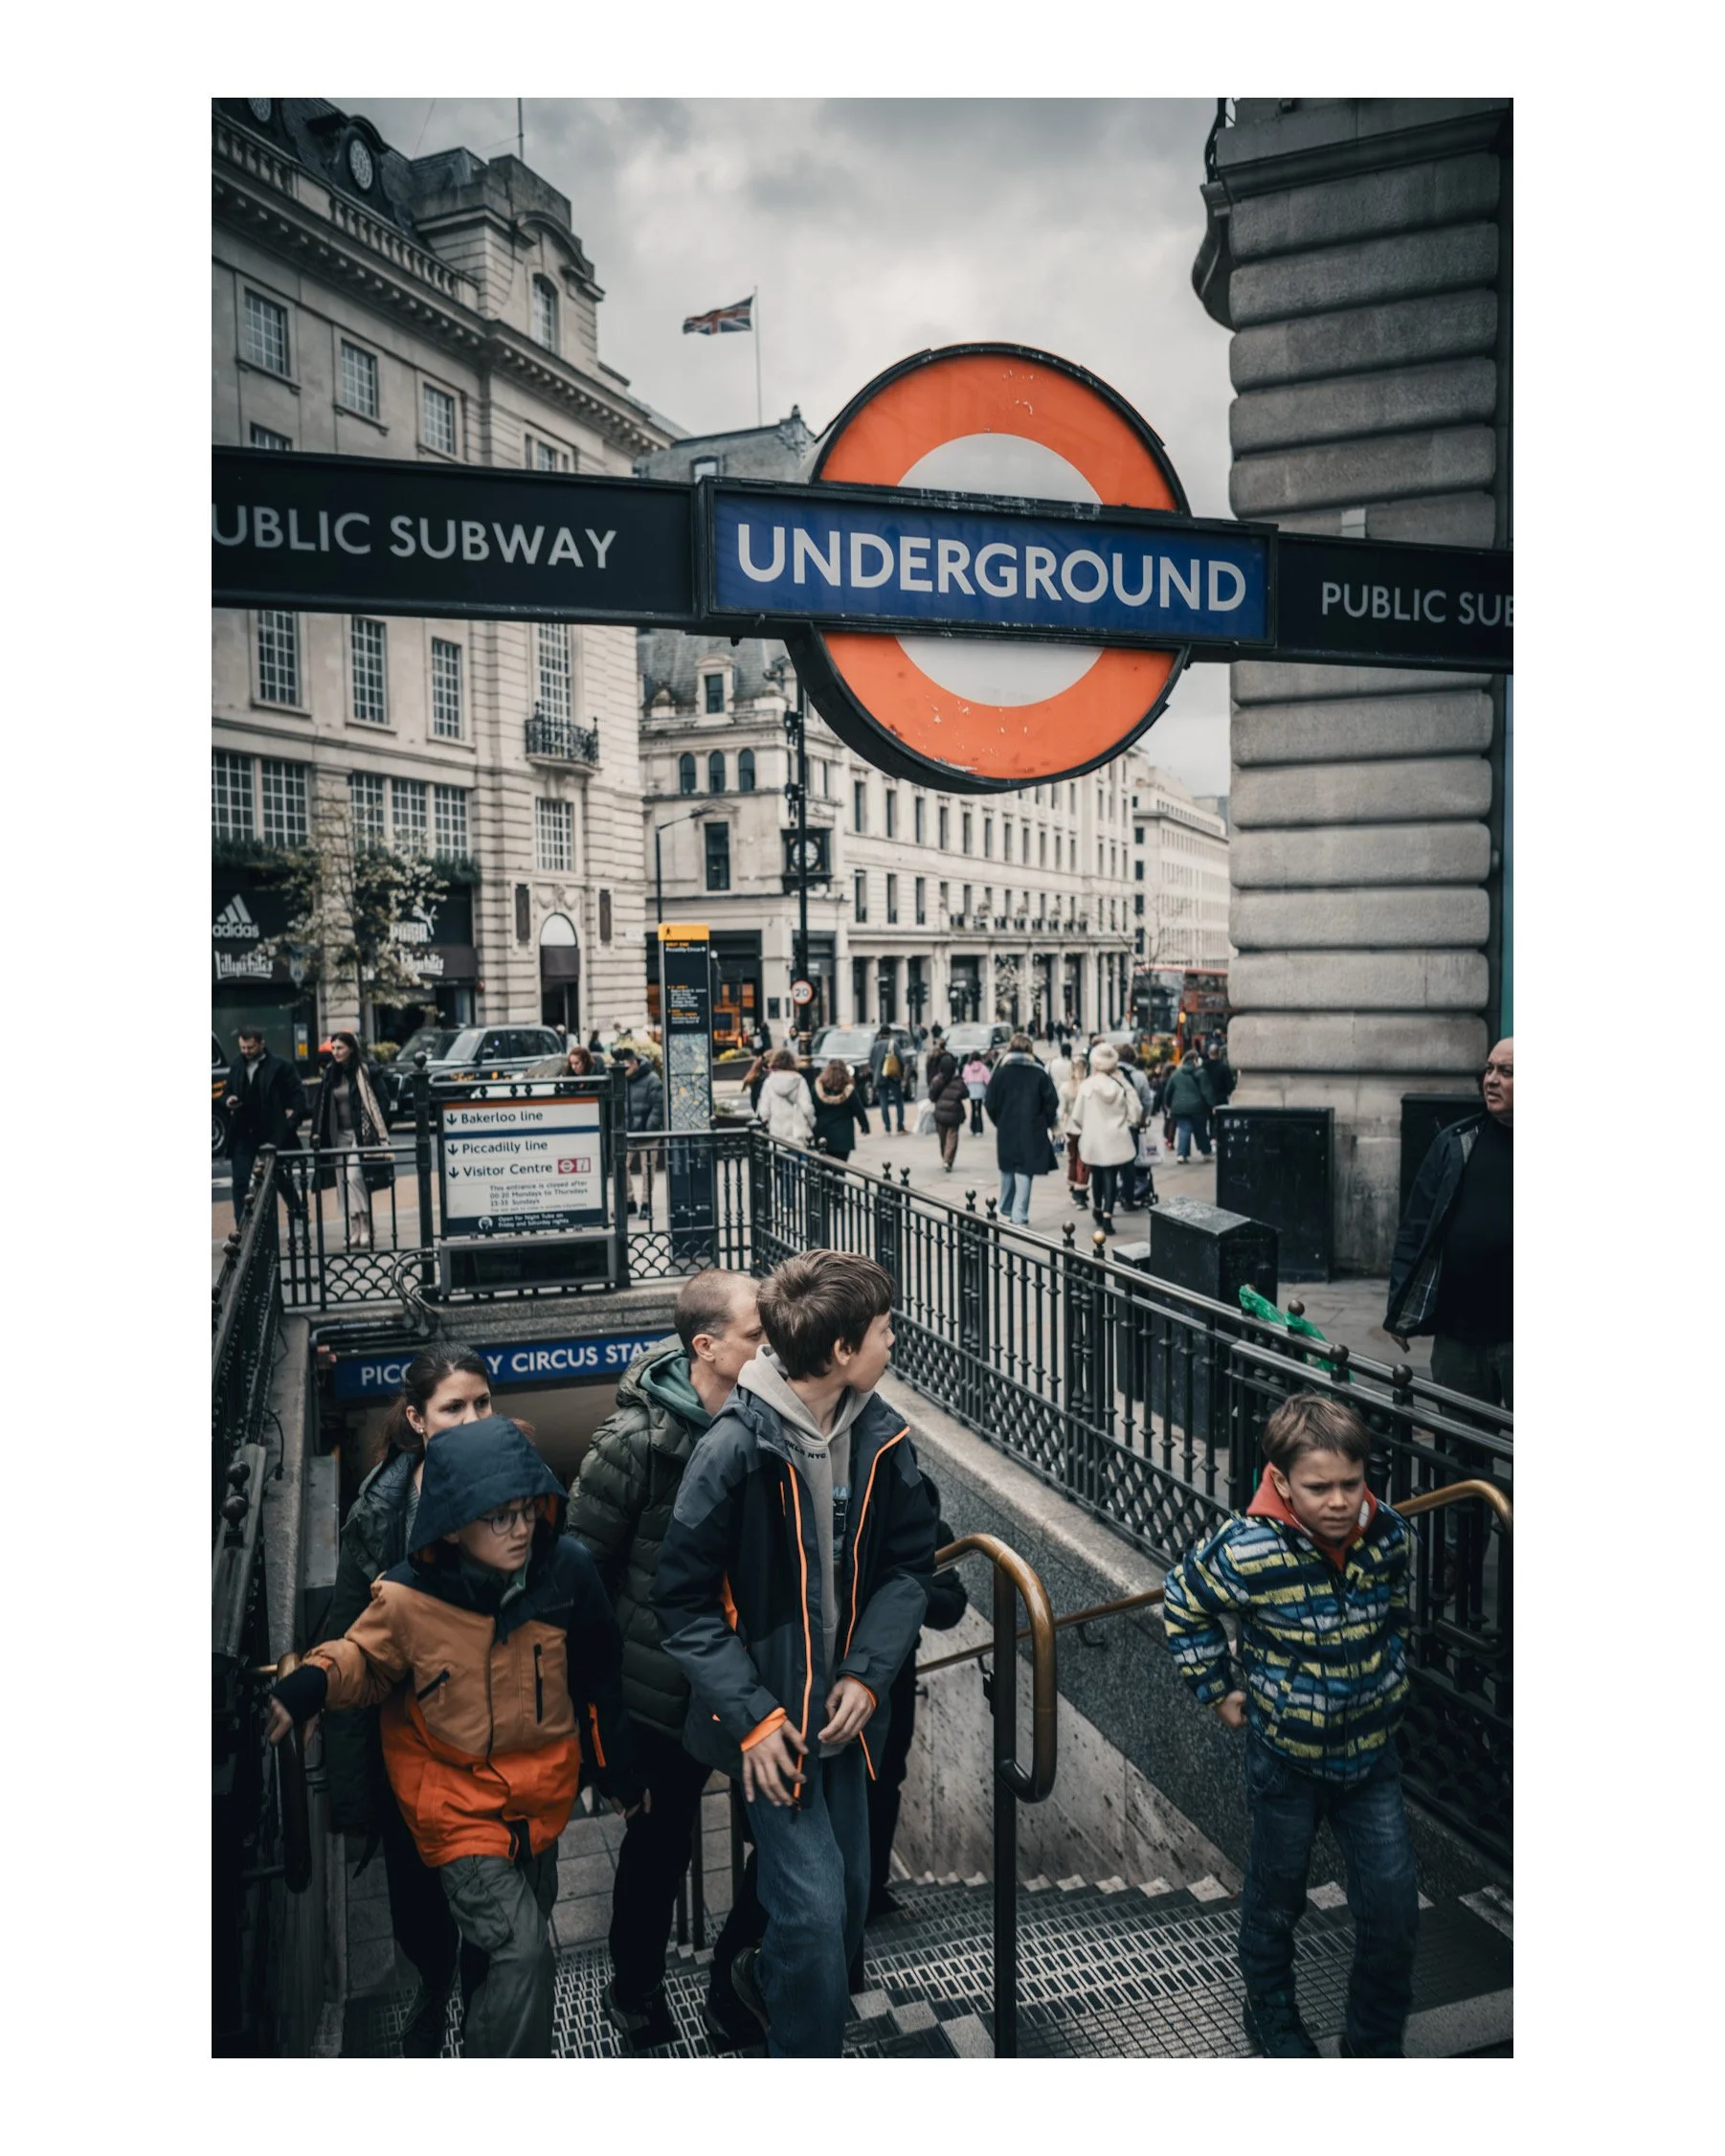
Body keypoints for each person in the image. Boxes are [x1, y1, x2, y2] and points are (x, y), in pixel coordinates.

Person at [268, 1416, 643, 2056]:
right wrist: (310, 1682)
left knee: (509, 1956)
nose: (520, 1528)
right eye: (498, 1517)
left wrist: (618, 1774)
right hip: (456, 1808)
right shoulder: (409, 1597)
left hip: (542, 1804)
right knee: (523, 1951)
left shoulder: (568, 1571)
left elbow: (598, 1679)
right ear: (451, 1524)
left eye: (527, 1511)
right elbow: (362, 1657)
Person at [653, 1249, 937, 2058]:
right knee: (813, 1918)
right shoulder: (731, 1450)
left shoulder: (882, 1434)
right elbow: (681, 1603)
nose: (893, 1342)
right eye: (883, 1331)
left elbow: (909, 1567)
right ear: (842, 1350)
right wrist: (751, 1719)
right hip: (771, 1728)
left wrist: (868, 1677)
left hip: (844, 1721)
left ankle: (758, 1977)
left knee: (844, 1907)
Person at [1161, 1393, 1419, 2058]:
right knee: (1276, 1902)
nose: (1339, 1502)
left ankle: (1374, 2044)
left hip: (1372, 1761)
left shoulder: (1388, 1534)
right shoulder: (1247, 1548)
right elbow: (1183, 1599)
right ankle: (1270, 2015)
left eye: (1351, 1485)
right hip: (1285, 1763)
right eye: (1319, 1488)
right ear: (1280, 1482)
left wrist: (1391, 1675)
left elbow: (1396, 1609)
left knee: (1393, 1909)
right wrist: (1217, 1689)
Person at [568, 1271, 766, 2048]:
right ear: (706, 1347)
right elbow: (581, 1582)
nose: (772, 1347)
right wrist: (603, 1733)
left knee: (782, 1840)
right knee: (657, 1852)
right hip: (658, 1695)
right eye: (757, 1335)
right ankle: (636, 1994)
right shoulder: (633, 1444)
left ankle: (735, 1982)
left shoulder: (770, 1419)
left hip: (748, 1680)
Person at [320, 1345, 498, 2053]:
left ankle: (483, 2009)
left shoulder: (522, 1488)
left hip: (492, 1745)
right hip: (410, 1750)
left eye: (482, 1403)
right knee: (420, 1904)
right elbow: (348, 1642)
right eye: (453, 1407)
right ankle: (434, 1983)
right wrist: (353, 1795)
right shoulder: (382, 1510)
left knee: (494, 1905)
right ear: (418, 1420)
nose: (472, 1419)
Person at [855, 1475, 968, 1949]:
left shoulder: (918, 1500)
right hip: (837, 1671)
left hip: (894, 1672)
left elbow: (952, 1601)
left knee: (885, 1779)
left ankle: (872, 1890)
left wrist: (906, 1595)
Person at [1384, 1040, 1512, 1408]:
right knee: (1459, 1439)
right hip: (1459, 1335)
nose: (1491, 1080)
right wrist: (1400, 1307)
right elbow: (1415, 1228)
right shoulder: (1456, 1142)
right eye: (1489, 1069)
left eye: (1506, 1072)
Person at [310, 1031, 392, 1249]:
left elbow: (383, 1101)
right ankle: (354, 1227)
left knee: (354, 1176)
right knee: (343, 1183)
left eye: (340, 1048)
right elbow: (322, 1106)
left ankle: (366, 1225)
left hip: (362, 1134)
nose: (336, 1052)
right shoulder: (331, 1073)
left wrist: (376, 1128)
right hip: (338, 1135)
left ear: (351, 1049)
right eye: (333, 1048)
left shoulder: (366, 1070)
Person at [221, 1025, 309, 1226]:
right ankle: (243, 1227)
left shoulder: (281, 1066)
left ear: (262, 1044)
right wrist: (229, 1100)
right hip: (243, 1132)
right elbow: (227, 1091)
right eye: (242, 1048)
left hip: (272, 1132)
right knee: (240, 1182)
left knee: (279, 1178)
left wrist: (290, 1123)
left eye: (250, 1047)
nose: (246, 1052)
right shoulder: (237, 1065)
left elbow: (298, 1097)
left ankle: (299, 1215)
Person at [984, 1031, 1062, 1227]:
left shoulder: (1001, 1073)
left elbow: (990, 1102)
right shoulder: (1039, 1073)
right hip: (1032, 1128)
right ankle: (1019, 1215)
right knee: (1025, 1171)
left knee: (1008, 1168)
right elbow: (1052, 1102)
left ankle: (1007, 1207)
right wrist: (1045, 1121)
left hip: (1007, 1128)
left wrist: (1000, 1120)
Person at [1066, 1040, 1143, 1237]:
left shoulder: (1088, 1086)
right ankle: (1108, 1215)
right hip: (1116, 1136)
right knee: (1111, 1174)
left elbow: (1077, 1115)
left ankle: (1098, 1208)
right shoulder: (1120, 1084)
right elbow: (1136, 1110)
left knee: (1097, 1174)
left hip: (1094, 1137)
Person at [617, 1046, 664, 1216]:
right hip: (629, 1132)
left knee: (647, 1169)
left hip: (647, 1132)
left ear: (635, 1064)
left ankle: (646, 1204)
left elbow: (658, 1106)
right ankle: (629, 1201)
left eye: (626, 1067)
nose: (624, 1071)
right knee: (621, 1165)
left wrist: (649, 1127)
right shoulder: (622, 1080)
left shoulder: (652, 1079)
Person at [756, 1044, 816, 1147]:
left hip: (777, 1137)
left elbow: (764, 1112)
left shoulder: (769, 1082)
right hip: (798, 1135)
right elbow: (806, 1108)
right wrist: (812, 1122)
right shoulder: (799, 1080)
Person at [1163, 1049, 1216, 1162]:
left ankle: (1182, 1154)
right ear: (1196, 1060)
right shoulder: (1200, 1073)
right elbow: (1206, 1091)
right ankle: (1206, 1152)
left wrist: (1167, 1104)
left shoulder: (1176, 1074)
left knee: (1184, 1129)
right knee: (1200, 1130)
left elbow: (1168, 1091)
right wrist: (1212, 1105)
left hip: (1179, 1107)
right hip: (1198, 1107)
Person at [813, 1058, 871, 1158]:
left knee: (824, 1165)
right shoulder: (849, 1091)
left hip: (822, 1133)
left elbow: (812, 1108)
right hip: (843, 1136)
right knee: (840, 1166)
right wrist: (864, 1126)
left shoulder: (818, 1089)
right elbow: (858, 1110)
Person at [1056, 1048, 1091, 1207]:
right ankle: (1080, 1190)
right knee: (1083, 1161)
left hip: (1070, 1127)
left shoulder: (1065, 1088)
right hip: (1085, 1127)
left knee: (1072, 1158)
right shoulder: (1088, 1086)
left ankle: (1074, 1188)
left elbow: (1061, 1110)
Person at [928, 1050, 968, 1172]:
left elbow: (932, 1097)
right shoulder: (958, 1081)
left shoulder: (937, 1080)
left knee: (942, 1137)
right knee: (952, 1136)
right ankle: (948, 1159)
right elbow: (966, 1094)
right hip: (954, 1112)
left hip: (940, 1113)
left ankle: (944, 1157)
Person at [868, 1024, 907, 1135]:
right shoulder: (893, 1044)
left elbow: (871, 1062)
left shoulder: (875, 1046)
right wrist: (902, 1075)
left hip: (879, 1077)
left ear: (880, 1034)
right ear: (890, 1033)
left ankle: (887, 1128)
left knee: (883, 1102)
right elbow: (901, 1060)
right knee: (898, 1102)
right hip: (893, 1076)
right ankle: (900, 1127)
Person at [961, 1050, 991, 1135]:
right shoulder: (983, 1067)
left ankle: (973, 1128)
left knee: (973, 1109)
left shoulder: (967, 1067)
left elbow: (964, 1078)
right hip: (980, 1089)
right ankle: (979, 1129)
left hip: (971, 1089)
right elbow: (987, 1079)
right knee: (979, 1110)